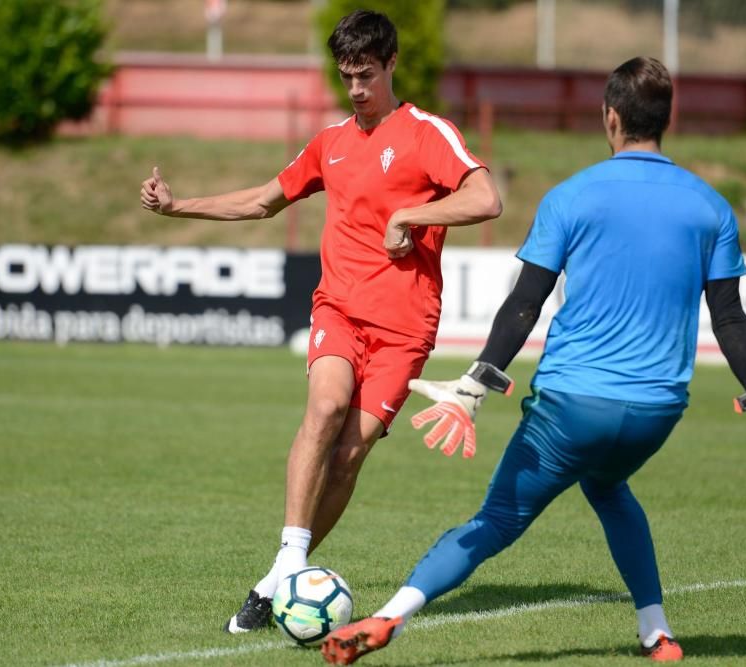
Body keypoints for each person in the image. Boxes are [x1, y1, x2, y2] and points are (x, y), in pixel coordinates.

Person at [319, 56, 746, 665]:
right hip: (656, 412)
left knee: (494, 523)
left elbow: (524, 304)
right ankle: (657, 634)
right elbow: (729, 318)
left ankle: (388, 619)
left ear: (609, 117)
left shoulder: (572, 195)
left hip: (569, 408)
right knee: (610, 485)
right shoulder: (710, 207)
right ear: (666, 120)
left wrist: (474, 385)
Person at [139, 10, 502, 634]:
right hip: (339, 307)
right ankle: (289, 563)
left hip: (404, 329)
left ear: (391, 64)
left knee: (350, 454)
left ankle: (281, 574)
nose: (356, 88)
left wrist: (410, 215)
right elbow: (261, 200)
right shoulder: (330, 142)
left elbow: (485, 198)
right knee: (326, 408)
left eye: (366, 74)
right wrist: (177, 207)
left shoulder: (425, 133)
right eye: (346, 76)